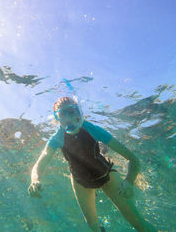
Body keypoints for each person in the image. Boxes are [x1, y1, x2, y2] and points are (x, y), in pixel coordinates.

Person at [28, 97, 156, 232]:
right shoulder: (58, 138)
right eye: (62, 115)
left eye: (72, 111)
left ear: (80, 113)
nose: (68, 119)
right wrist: (35, 180)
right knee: (93, 228)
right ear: (57, 120)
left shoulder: (93, 130)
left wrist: (129, 181)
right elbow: (39, 164)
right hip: (80, 182)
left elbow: (133, 159)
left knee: (138, 223)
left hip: (106, 174)